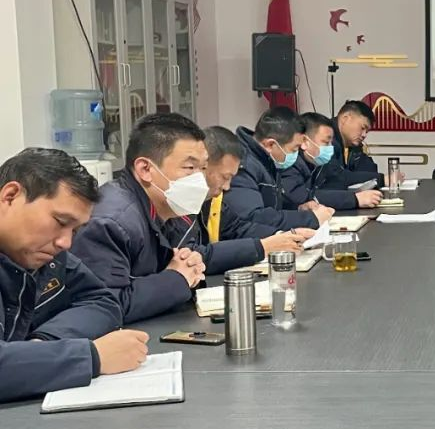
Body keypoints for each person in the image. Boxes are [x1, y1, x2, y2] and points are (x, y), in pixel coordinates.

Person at [0, 149, 148, 403]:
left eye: (75, 230)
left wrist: (44, 345)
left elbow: (101, 301)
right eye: (60, 221)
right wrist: (91, 357)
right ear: (10, 196)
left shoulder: (44, 255)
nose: (65, 242)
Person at [72, 113, 208, 324]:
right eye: (190, 168)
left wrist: (190, 265)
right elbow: (104, 305)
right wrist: (177, 279)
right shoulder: (111, 221)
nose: (200, 179)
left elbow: (176, 262)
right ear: (145, 169)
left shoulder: (171, 207)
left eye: (203, 168)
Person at [164, 126, 312, 275]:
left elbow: (236, 228)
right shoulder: (176, 202)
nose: (227, 187)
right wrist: (262, 247)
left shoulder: (212, 200)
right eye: (225, 177)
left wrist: (283, 236)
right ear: (204, 166)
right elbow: (191, 254)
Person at [227, 106, 335, 231]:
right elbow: (253, 217)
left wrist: (298, 209)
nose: (296, 155)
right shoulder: (243, 165)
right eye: (294, 149)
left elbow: (272, 207)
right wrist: (310, 219)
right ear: (270, 144)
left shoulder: (268, 160)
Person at [281, 112, 383, 212]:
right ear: (304, 142)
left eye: (331, 143)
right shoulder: (288, 163)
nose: (331, 148)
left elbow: (334, 183)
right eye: (326, 142)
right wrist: (355, 199)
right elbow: (301, 197)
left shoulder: (316, 163)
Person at [317, 99, 402, 191]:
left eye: (367, 131)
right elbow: (336, 178)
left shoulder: (354, 145)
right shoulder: (324, 139)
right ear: (345, 118)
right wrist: (382, 179)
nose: (364, 135)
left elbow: (369, 170)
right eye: (362, 128)